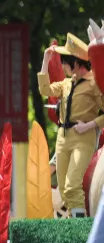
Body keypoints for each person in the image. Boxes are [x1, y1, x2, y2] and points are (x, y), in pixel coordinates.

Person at [39, 34, 104, 218]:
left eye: (64, 63)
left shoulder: (93, 84)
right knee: (64, 190)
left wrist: (89, 125)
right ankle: (76, 221)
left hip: (83, 138)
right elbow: (45, 90)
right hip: (63, 138)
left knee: (72, 186)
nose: (62, 67)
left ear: (75, 63)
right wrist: (45, 61)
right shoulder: (66, 84)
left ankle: (79, 228)